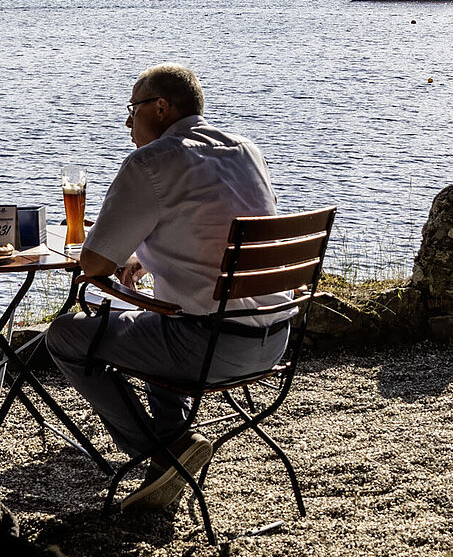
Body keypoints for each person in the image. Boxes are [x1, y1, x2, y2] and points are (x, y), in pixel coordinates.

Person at [42, 64, 286, 511]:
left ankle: (161, 451)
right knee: (161, 311)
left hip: (208, 347)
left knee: (66, 334)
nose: (128, 122)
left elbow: (94, 264)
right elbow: (208, 229)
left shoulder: (151, 161)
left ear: (161, 107)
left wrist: (109, 251)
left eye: (132, 110)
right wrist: (140, 255)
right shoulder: (245, 150)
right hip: (275, 341)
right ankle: (176, 440)